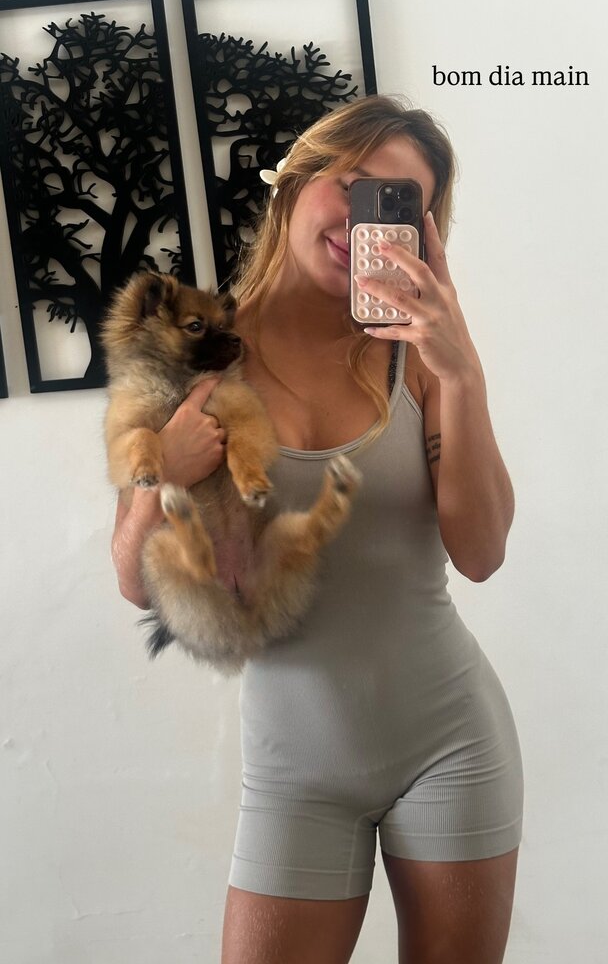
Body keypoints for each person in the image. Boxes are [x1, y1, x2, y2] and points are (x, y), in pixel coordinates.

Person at [111, 95, 523, 964]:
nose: (362, 218)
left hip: (451, 744)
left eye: (396, 203)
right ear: (295, 182)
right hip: (293, 770)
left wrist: (463, 375)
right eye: (353, 183)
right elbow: (134, 580)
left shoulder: (419, 356)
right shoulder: (193, 352)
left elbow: (482, 554)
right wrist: (166, 469)